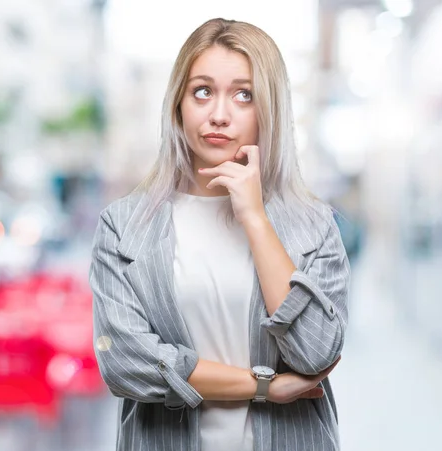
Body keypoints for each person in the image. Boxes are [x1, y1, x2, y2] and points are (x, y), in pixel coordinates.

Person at [90, 17, 350, 451]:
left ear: (269, 109)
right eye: (203, 91)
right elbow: (124, 363)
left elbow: (316, 352)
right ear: (179, 104)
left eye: (243, 95)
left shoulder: (314, 225)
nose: (219, 114)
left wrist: (255, 218)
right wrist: (261, 386)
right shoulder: (124, 226)